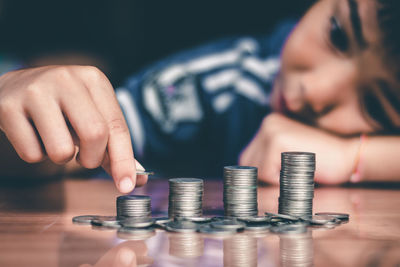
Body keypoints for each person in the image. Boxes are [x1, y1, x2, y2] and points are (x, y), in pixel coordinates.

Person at [0, 0, 399, 194]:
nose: (311, 91)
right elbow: (72, 139)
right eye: (338, 34)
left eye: (375, 105)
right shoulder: (223, 81)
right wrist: (19, 114)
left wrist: (357, 158)